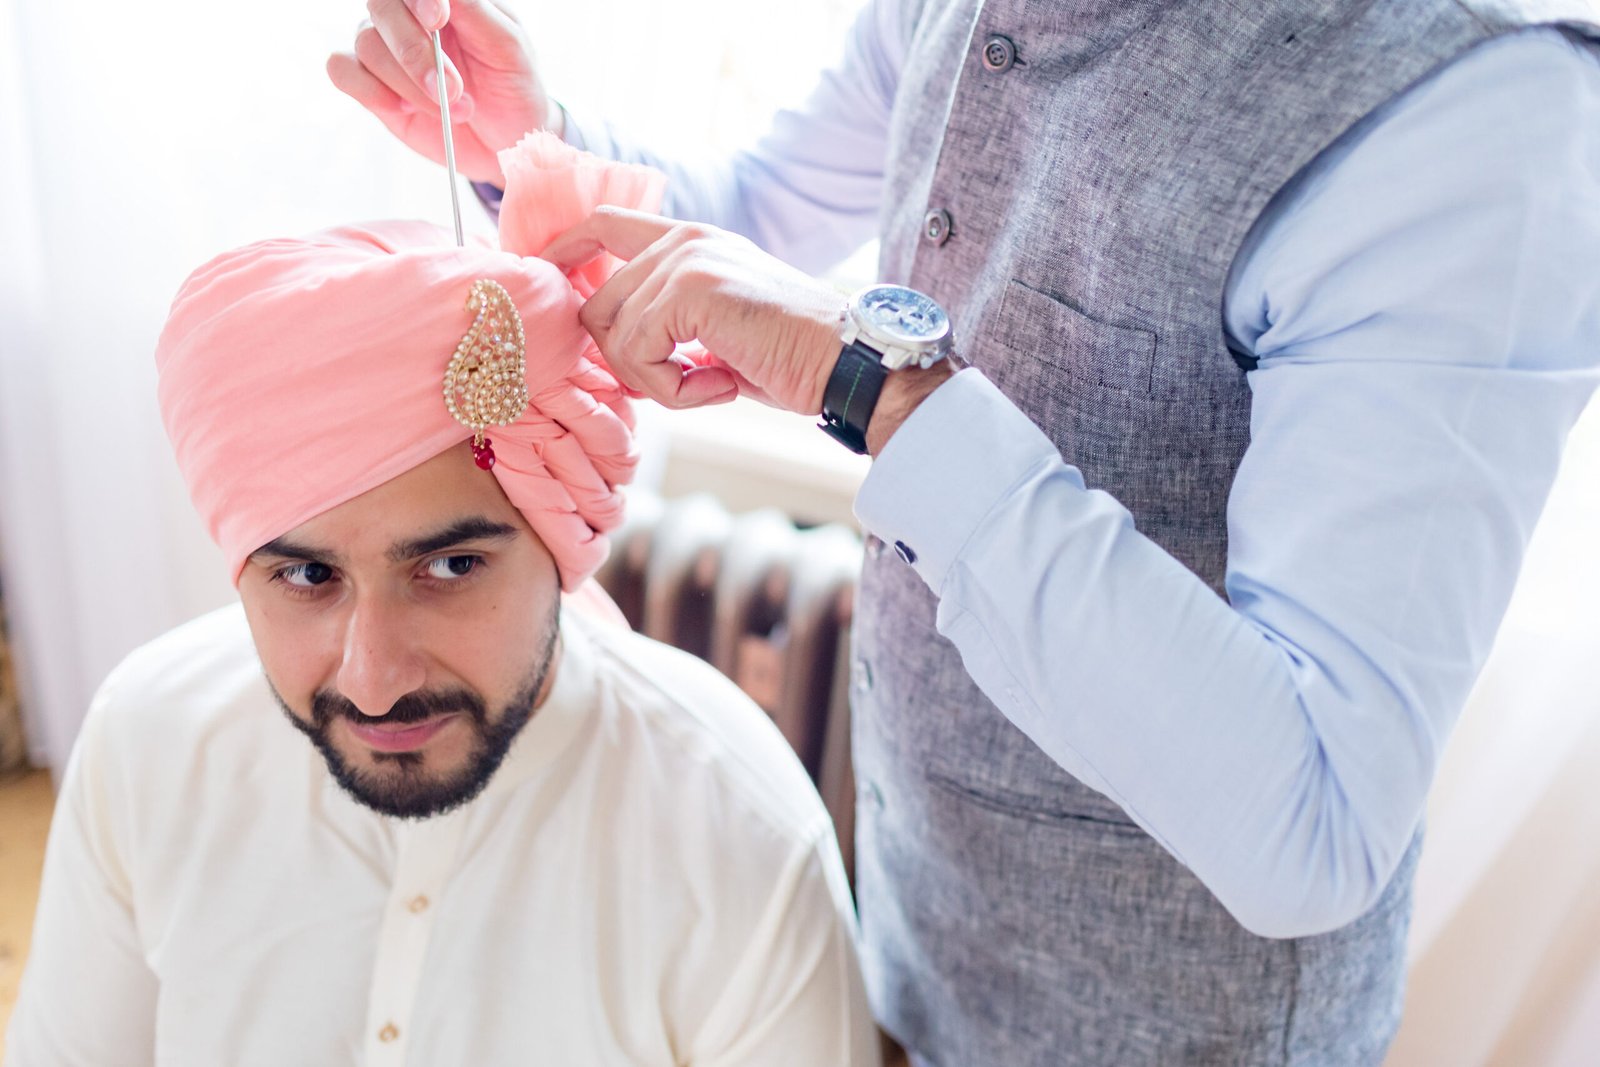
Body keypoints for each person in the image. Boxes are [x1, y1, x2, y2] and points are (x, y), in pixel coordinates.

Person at [333, 2, 1600, 1064]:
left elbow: (1311, 824)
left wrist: (869, 381)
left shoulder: (1469, 116)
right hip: (916, 938)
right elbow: (754, 218)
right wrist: (537, 147)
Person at [5, 134, 880, 1067]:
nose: (375, 681)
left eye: (452, 567)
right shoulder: (151, 738)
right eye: (307, 576)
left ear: (557, 534)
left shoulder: (737, 832)